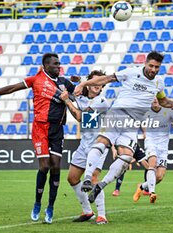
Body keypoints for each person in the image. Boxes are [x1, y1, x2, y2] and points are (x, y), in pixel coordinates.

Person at [0, 53, 75, 224]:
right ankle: (37, 203)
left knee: (56, 167)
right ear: (46, 66)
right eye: (56, 64)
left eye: (59, 64)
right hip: (40, 128)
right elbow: (11, 88)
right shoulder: (35, 79)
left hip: (57, 129)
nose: (59, 66)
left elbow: (79, 93)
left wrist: (78, 88)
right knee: (44, 165)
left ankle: (50, 207)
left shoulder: (64, 82)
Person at [73, 51, 173, 203]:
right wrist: (84, 83)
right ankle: (87, 178)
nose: (153, 70)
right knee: (102, 142)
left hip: (133, 124)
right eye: (151, 66)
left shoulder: (159, 82)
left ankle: (100, 186)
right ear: (145, 63)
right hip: (118, 114)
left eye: (157, 67)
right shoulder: (132, 72)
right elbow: (108, 78)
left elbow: (163, 101)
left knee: (126, 158)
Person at [62, 70, 110, 224]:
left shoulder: (101, 102)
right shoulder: (83, 95)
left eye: (100, 83)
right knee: (72, 178)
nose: (97, 85)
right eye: (94, 83)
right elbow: (83, 80)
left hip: (99, 145)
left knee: (94, 178)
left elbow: (80, 117)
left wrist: (67, 101)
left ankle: (102, 215)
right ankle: (88, 211)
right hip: (84, 144)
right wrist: (77, 79)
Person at [133, 98, 173, 203]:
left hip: (163, 146)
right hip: (151, 143)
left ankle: (142, 186)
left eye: (157, 97)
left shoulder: (169, 112)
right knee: (152, 164)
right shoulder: (144, 112)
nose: (155, 99)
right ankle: (152, 193)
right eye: (152, 97)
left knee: (159, 177)